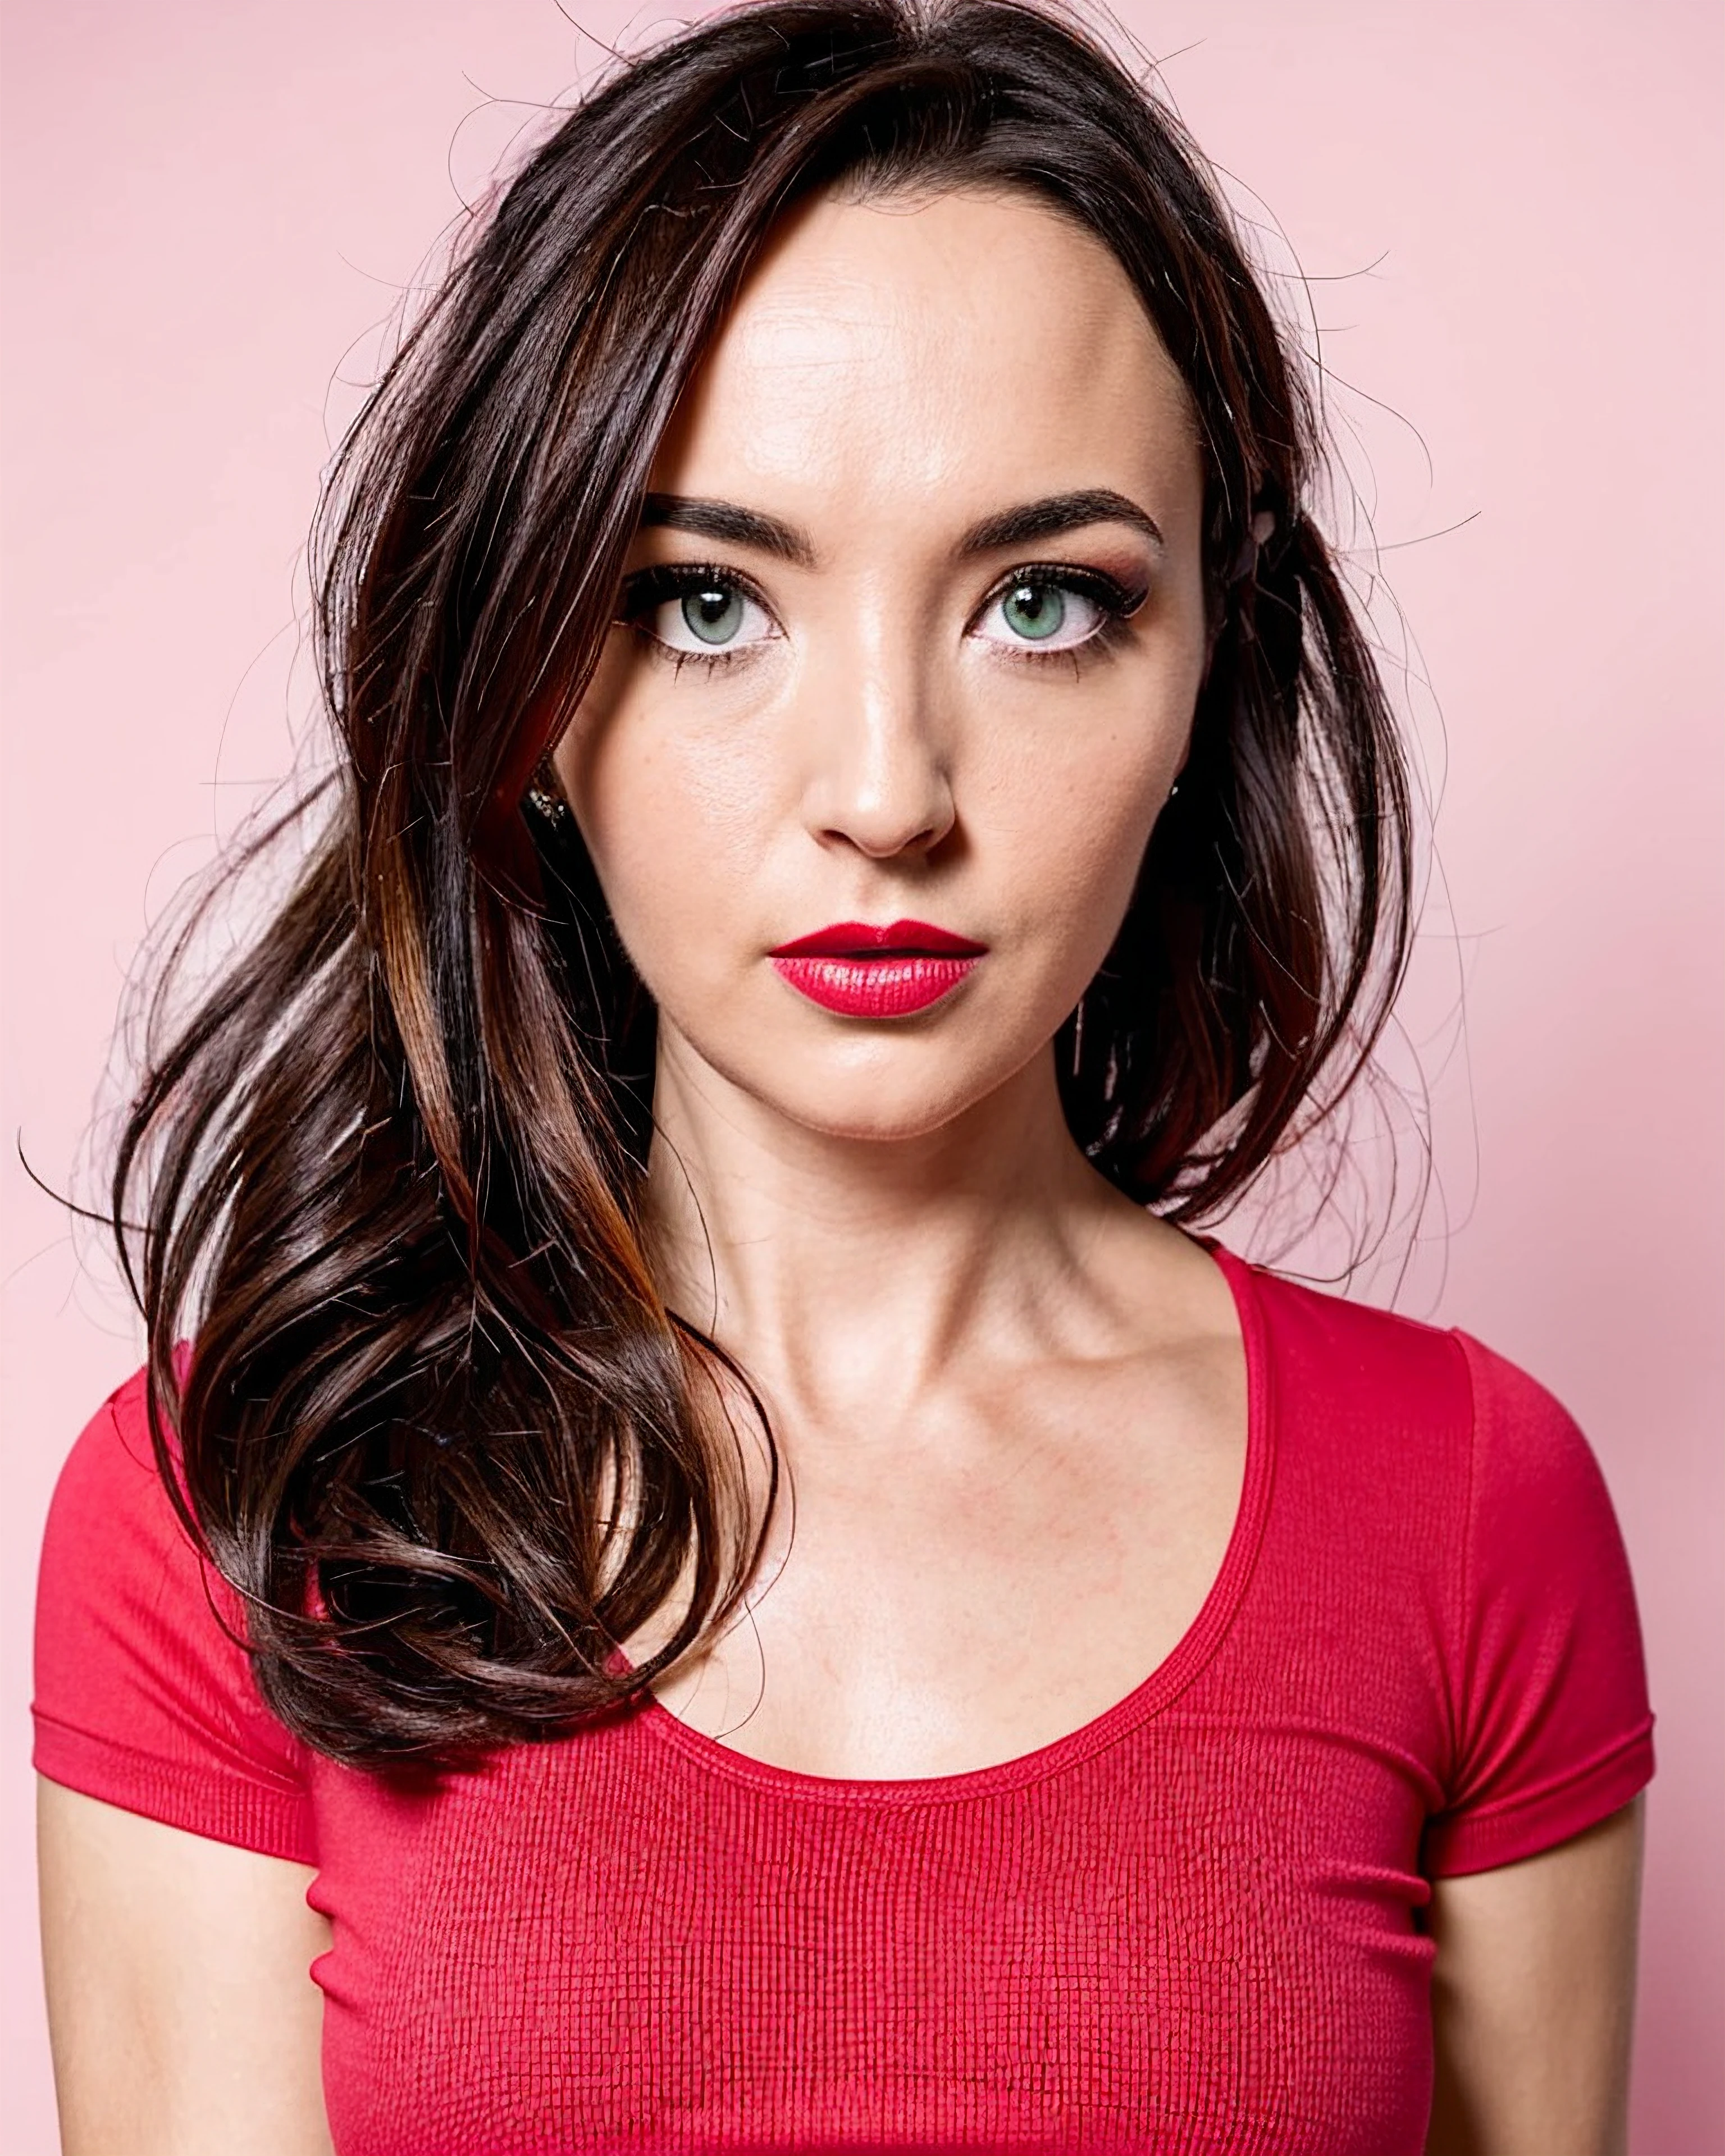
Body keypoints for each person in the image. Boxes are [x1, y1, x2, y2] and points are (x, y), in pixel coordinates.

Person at [31, 1, 1654, 2149]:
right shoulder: (235, 1507)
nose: (885, 792)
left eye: (1046, 604)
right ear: (526, 683)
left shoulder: (1468, 1506)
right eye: (707, 604)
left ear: (1207, 681)